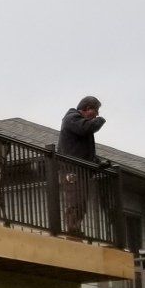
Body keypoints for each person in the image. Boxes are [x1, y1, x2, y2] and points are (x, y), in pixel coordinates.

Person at [56, 96, 105, 233]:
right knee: (75, 200)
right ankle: (72, 228)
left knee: (81, 201)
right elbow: (86, 128)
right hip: (72, 170)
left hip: (80, 169)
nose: (97, 115)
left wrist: (97, 162)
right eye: (96, 111)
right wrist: (99, 121)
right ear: (87, 108)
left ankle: (75, 227)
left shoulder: (77, 121)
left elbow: (82, 151)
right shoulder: (72, 118)